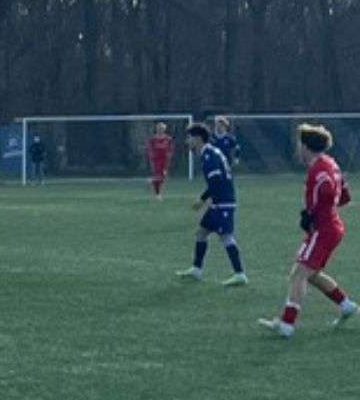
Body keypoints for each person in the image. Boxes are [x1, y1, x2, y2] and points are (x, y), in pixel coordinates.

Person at [259, 124, 358, 338]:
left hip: (324, 230)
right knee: (310, 274)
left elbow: (328, 189)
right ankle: (346, 305)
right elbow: (344, 197)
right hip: (329, 227)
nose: (298, 148)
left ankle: (287, 324)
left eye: (299, 144)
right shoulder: (330, 163)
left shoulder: (318, 170)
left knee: (299, 274)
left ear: (306, 147)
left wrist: (311, 214)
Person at [177, 124, 248, 287]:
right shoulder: (209, 152)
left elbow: (216, 181)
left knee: (226, 236)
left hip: (223, 202)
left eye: (189, 137)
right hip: (218, 201)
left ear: (198, 138)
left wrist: (202, 200)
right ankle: (196, 269)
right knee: (201, 233)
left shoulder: (209, 155)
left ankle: (240, 274)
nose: (187, 141)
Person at [146, 122, 174, 200]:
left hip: (165, 160)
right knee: (159, 175)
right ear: (157, 129)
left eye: (162, 128)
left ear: (164, 129)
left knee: (163, 177)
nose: (161, 130)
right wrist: (151, 157)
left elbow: (171, 149)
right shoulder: (153, 139)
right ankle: (157, 194)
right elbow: (149, 149)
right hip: (156, 160)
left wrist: (170, 156)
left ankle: (153, 184)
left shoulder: (168, 139)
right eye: (159, 128)